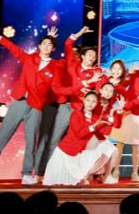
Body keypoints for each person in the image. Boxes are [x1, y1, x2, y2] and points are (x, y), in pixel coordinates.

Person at [0, 24, 63, 185]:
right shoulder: (29, 58)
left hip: (36, 107)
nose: (46, 46)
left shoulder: (56, 67)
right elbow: (12, 47)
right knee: (2, 137)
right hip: (19, 102)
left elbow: (56, 88)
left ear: (53, 49)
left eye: (49, 45)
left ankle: (27, 173)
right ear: (39, 46)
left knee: (31, 142)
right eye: (43, 43)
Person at [36, 26, 96, 180]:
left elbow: (102, 88)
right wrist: (79, 33)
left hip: (80, 110)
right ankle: (43, 173)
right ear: (82, 56)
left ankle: (76, 174)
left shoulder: (96, 73)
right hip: (66, 107)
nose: (91, 57)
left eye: (94, 56)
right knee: (54, 140)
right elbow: (68, 44)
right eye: (89, 54)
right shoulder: (71, 65)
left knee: (78, 143)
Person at [43, 91, 115, 186]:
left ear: (97, 103)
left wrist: (111, 114)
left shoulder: (94, 118)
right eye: (88, 100)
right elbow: (79, 134)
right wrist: (93, 126)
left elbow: (105, 132)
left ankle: (87, 174)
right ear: (83, 100)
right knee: (58, 184)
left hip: (79, 152)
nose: (90, 103)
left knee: (109, 147)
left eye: (93, 101)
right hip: (66, 152)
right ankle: (84, 176)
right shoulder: (76, 114)